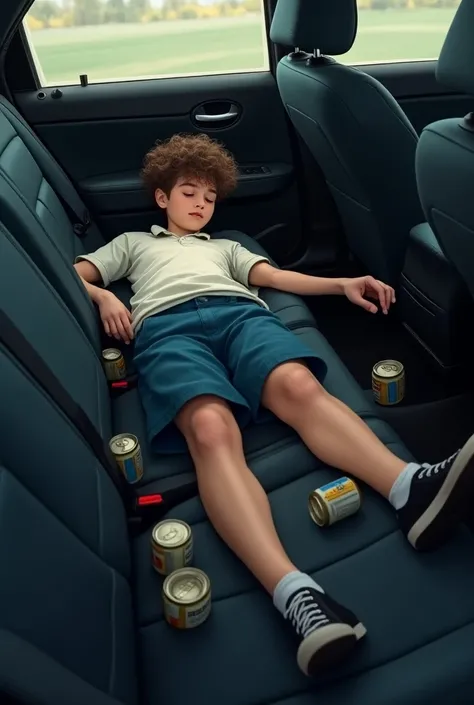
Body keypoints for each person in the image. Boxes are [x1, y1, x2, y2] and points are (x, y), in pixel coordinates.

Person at [74, 133, 474, 678]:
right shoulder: (131, 244)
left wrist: (342, 284)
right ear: (162, 198)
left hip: (241, 316)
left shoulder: (226, 248)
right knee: (211, 430)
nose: (200, 204)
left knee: (299, 386)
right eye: (189, 192)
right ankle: (297, 597)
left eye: (210, 197)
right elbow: (82, 273)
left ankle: (409, 487)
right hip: (167, 331)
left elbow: (277, 278)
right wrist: (103, 298)